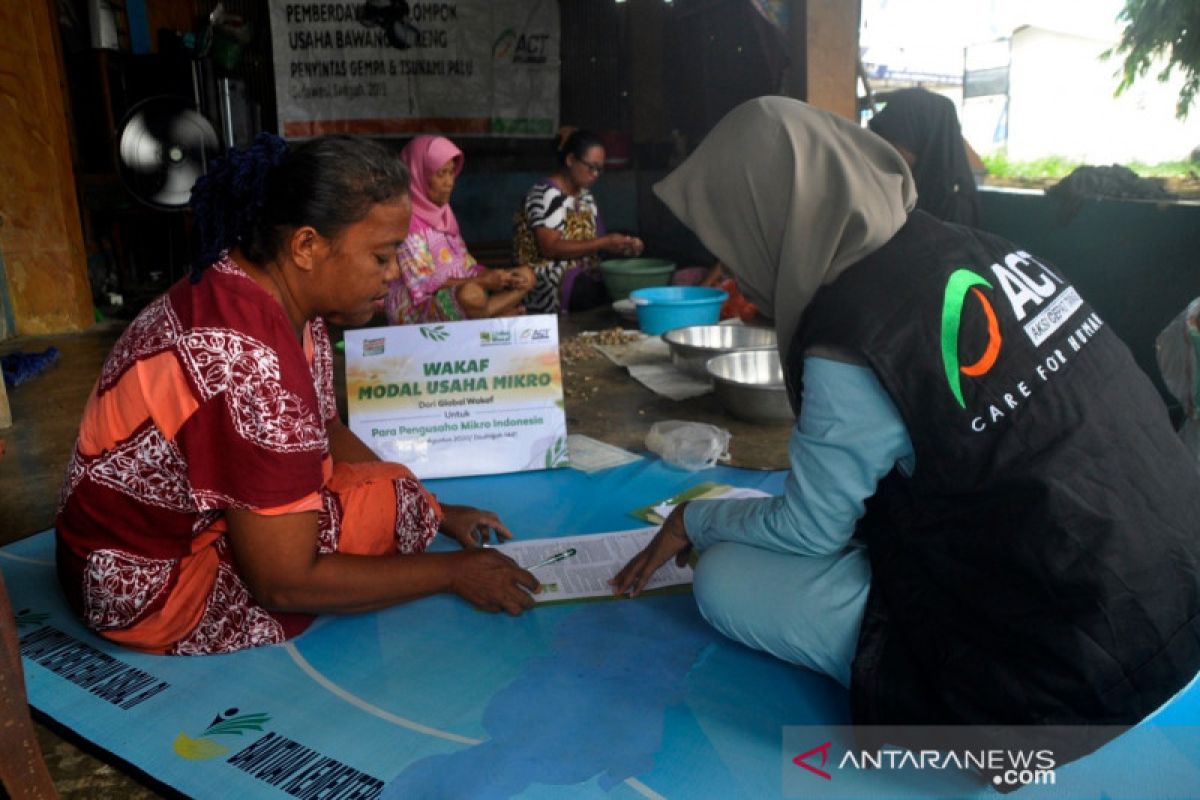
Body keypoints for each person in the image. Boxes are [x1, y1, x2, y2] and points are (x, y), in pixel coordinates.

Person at [611, 97, 1200, 769]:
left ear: (772, 222)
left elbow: (811, 532)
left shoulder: (853, 337)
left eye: (734, 241)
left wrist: (697, 520)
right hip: (1181, 594)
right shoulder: (985, 249)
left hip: (1068, 682)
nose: (736, 270)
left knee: (726, 578)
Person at [55, 134, 538, 656]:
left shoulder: (257, 289)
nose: (395, 273)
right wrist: (453, 571)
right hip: (145, 593)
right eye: (381, 255)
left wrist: (438, 510)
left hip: (102, 550)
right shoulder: (252, 363)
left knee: (399, 493)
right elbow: (283, 582)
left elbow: (325, 427)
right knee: (388, 513)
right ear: (306, 246)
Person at [385, 135, 534, 324]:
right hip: (414, 307)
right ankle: (490, 318)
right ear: (418, 174)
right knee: (472, 295)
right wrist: (483, 281)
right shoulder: (406, 221)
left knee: (526, 275)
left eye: (451, 173)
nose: (449, 182)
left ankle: (485, 317)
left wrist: (500, 277)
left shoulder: (444, 214)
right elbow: (424, 284)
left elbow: (466, 266)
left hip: (456, 292)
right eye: (441, 174)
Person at [513, 128, 644, 313]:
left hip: (586, 274)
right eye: (592, 167)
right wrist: (604, 243)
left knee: (626, 281)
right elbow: (550, 247)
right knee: (592, 290)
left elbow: (597, 244)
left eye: (600, 169)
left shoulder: (585, 196)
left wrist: (625, 245)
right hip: (547, 280)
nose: (596, 174)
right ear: (571, 160)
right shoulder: (545, 194)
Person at [868, 87, 981, 227]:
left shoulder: (955, 208)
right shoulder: (890, 189)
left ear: (925, 141)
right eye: (881, 139)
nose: (884, 150)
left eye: (894, 140)